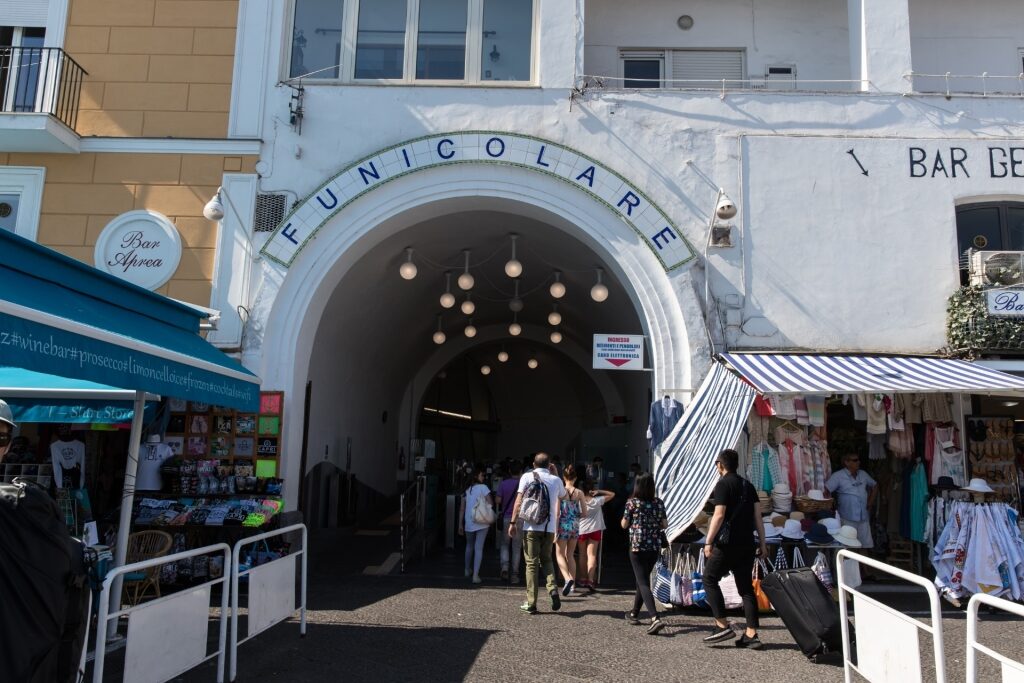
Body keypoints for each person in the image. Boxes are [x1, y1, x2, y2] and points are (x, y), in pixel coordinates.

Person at [702, 449, 768, 649]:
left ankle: (721, 624)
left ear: (720, 465)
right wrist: (763, 544)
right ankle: (751, 634)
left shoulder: (722, 485)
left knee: (709, 578)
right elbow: (758, 517)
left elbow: (719, 515)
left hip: (727, 544)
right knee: (746, 588)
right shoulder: (748, 486)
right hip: (747, 543)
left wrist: (708, 541)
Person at [508, 452, 566, 614]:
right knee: (547, 560)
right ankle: (553, 589)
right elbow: (565, 496)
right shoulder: (556, 480)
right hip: (549, 528)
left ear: (533, 465)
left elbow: (518, 501)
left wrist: (513, 523)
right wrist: (555, 475)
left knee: (531, 564)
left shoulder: (526, 477)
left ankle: (531, 602)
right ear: (549, 465)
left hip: (531, 527)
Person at [621, 472, 668, 634]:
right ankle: (634, 612)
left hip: (637, 546)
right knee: (642, 581)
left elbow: (624, 524)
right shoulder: (659, 503)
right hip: (654, 547)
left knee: (643, 582)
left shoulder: (632, 503)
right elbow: (664, 524)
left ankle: (655, 618)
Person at [825, 453, 877, 548]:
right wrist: (830, 508)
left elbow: (875, 485)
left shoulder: (863, 474)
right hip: (847, 519)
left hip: (863, 518)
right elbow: (826, 490)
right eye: (855, 460)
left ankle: (863, 563)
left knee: (865, 546)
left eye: (858, 460)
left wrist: (870, 502)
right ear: (847, 462)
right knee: (848, 548)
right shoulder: (838, 476)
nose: (858, 462)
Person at [577, 478, 615, 594]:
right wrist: (599, 491)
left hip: (581, 529)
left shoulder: (578, 501)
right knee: (592, 555)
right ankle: (591, 580)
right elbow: (612, 494)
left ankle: (583, 579)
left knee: (582, 555)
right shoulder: (597, 501)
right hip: (595, 529)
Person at [458, 464, 494, 584]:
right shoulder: (483, 487)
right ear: (476, 476)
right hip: (482, 521)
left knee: (469, 546)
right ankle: (476, 576)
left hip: (469, 521)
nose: (483, 477)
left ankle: (466, 570)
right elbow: (491, 503)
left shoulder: (466, 490)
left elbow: (462, 509)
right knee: (479, 548)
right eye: (482, 475)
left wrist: (460, 524)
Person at [555, 464, 586, 596]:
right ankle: (572, 585)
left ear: (563, 477)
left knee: (559, 554)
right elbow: (584, 513)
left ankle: (567, 579)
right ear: (576, 478)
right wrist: (574, 515)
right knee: (571, 555)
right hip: (574, 525)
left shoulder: (560, 492)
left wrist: (555, 530)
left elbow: (557, 513)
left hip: (562, 524)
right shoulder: (579, 492)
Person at [496, 461, 524, 582]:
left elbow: (497, 500)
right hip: (520, 518)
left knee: (504, 544)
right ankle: (515, 575)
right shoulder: (524, 485)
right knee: (517, 547)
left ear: (509, 471)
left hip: (507, 517)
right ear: (521, 472)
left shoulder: (503, 484)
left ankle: (505, 568)